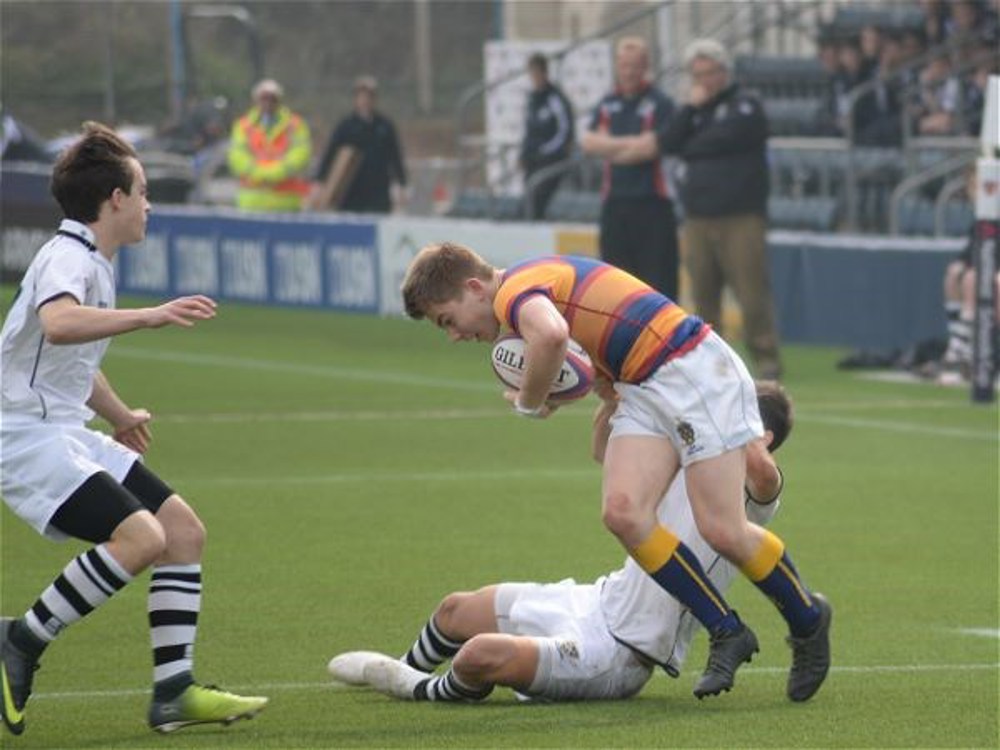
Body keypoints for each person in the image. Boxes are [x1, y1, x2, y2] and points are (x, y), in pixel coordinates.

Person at [399, 243, 832, 703]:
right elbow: (592, 374)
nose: (454, 335)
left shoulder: (515, 292)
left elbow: (550, 337)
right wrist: (582, 391)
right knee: (623, 513)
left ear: (473, 288)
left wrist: (529, 402)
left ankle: (807, 620)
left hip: (690, 368)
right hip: (643, 384)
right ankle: (727, 630)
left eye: (447, 319)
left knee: (721, 528)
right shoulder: (535, 286)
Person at [0, 122, 268, 736]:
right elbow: (62, 324)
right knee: (142, 538)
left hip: (60, 427)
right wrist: (152, 316)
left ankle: (173, 690)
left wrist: (119, 415)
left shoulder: (91, 259)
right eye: (142, 191)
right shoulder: (68, 256)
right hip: (22, 436)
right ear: (114, 199)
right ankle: (21, 638)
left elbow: (66, 357)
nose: (148, 204)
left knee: (181, 532)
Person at [329, 382, 795, 703]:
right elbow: (602, 448)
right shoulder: (691, 461)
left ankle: (417, 690)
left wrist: (717, 400)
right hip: (594, 601)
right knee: (455, 610)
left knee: (477, 656)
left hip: (620, 655)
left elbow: (760, 468)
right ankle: (405, 666)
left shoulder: (756, 493)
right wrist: (617, 395)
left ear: (763, 434)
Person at [595, 38, 782, 381]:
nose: (705, 81)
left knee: (750, 292)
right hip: (697, 216)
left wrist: (692, 144)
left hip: (740, 215)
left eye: (710, 73)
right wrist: (690, 111)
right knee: (704, 295)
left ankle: (766, 357)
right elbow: (668, 141)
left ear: (724, 71)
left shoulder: (745, 104)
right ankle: (714, 362)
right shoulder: (694, 110)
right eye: (698, 75)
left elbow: (725, 138)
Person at [579, 37, 679, 299]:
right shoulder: (607, 103)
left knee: (658, 288)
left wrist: (610, 147)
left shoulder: (661, 103)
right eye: (624, 65)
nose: (629, 72)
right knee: (617, 287)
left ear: (645, 66)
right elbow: (589, 142)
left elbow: (650, 148)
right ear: (617, 66)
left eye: (635, 65)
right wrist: (630, 145)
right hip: (615, 204)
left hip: (652, 204)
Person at [314, 75, 407, 214]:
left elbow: (395, 156)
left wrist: (401, 183)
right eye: (361, 96)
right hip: (351, 191)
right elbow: (331, 154)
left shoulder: (384, 126)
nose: (365, 100)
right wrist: (320, 181)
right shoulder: (346, 126)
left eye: (369, 97)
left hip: (378, 191)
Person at [227, 78, 312, 211]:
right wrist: (259, 172)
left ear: (279, 100)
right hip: (251, 203)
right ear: (256, 100)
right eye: (264, 98)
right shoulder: (243, 125)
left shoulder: (295, 124)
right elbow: (236, 156)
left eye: (272, 98)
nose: (268, 102)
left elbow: (301, 154)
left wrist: (276, 172)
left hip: (285, 202)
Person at [520, 53, 575, 220]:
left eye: (537, 73)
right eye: (531, 74)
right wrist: (524, 154)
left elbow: (565, 131)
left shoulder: (555, 99)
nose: (534, 78)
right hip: (533, 162)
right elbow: (529, 131)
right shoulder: (532, 99)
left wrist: (545, 152)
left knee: (538, 200)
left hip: (551, 160)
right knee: (525, 205)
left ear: (544, 73)